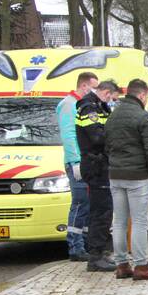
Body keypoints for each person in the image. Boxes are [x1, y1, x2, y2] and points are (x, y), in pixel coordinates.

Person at [105, 79, 148, 280]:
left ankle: (121, 264)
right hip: (138, 176)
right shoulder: (142, 116)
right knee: (139, 221)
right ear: (142, 95)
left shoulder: (112, 116)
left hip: (116, 174)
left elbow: (106, 145)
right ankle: (141, 266)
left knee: (119, 221)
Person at [75, 79, 119, 272]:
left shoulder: (99, 106)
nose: (111, 101)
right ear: (107, 92)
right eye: (111, 97)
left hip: (100, 164)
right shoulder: (89, 108)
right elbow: (97, 136)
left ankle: (100, 253)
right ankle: (95, 257)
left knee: (104, 210)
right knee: (100, 212)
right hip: (96, 165)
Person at [57, 71, 98, 261]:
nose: (95, 91)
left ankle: (85, 243)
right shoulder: (68, 105)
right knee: (80, 202)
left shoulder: (82, 105)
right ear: (84, 86)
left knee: (88, 204)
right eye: (93, 87)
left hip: (86, 162)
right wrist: (76, 162)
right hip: (78, 163)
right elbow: (69, 136)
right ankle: (75, 245)